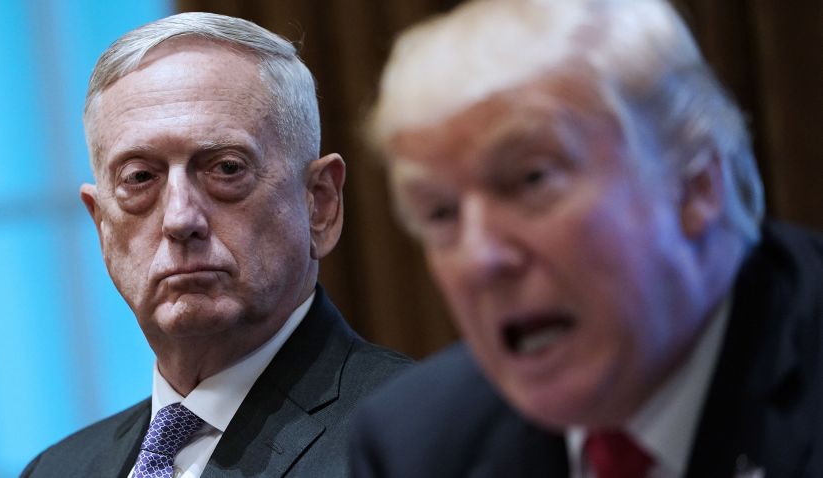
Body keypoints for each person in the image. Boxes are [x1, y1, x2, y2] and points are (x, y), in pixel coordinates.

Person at [350, 0, 823, 476]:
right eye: (440, 212)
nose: (479, 258)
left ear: (695, 184)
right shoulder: (414, 449)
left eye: (532, 180)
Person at [22, 11, 410, 478]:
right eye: (140, 177)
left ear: (320, 204)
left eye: (226, 168)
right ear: (101, 224)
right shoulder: (57, 469)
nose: (181, 218)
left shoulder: (419, 436)